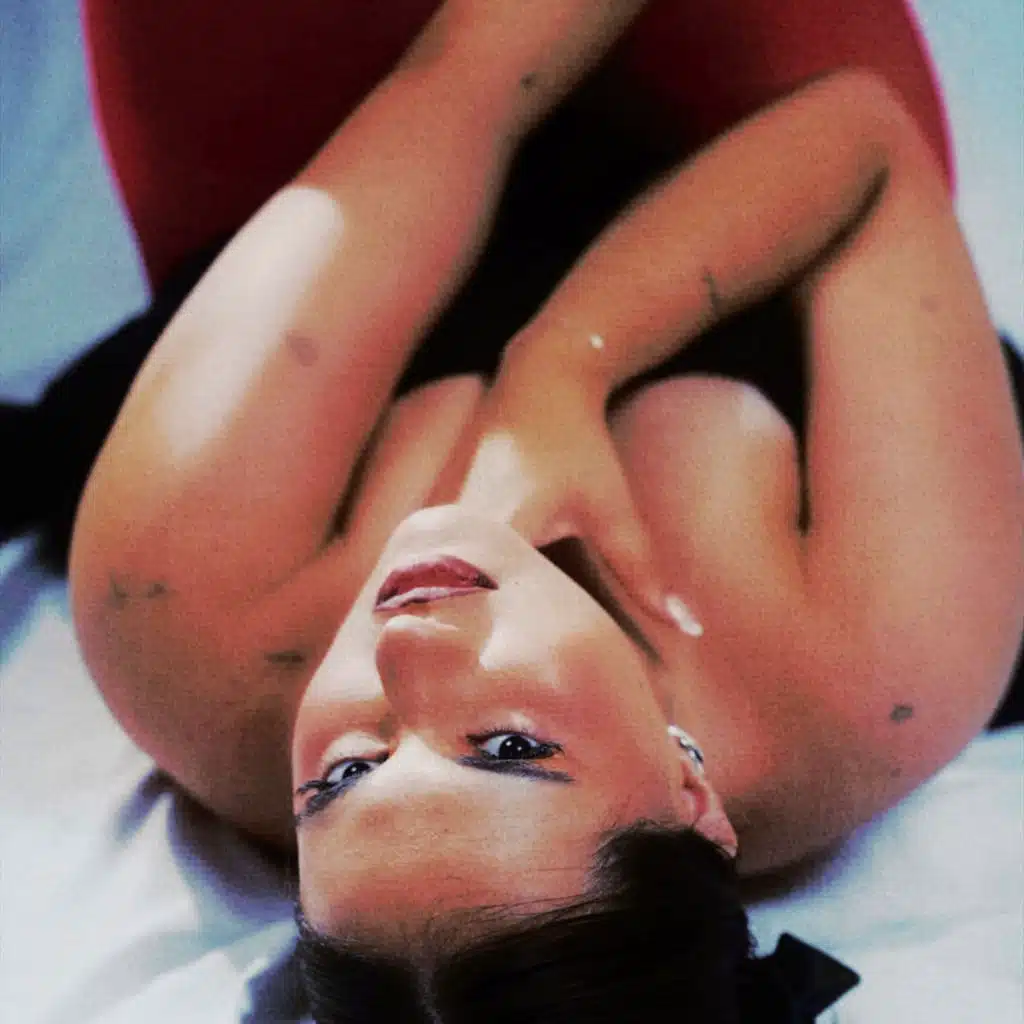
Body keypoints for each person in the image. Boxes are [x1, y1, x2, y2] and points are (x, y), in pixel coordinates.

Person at [64, 1, 1022, 1020]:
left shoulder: (186, 621)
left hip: (336, 132)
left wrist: (553, 375)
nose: (402, 652)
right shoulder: (882, 672)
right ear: (689, 797)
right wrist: (565, 362)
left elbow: (460, 81)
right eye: (508, 748)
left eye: (343, 775)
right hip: (751, 140)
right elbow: (859, 143)